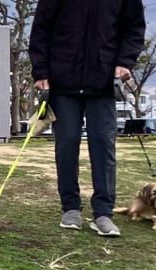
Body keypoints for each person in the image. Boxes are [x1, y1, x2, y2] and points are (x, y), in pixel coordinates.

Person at [28, 0, 146, 237]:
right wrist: (41, 72)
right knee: (67, 144)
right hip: (62, 84)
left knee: (103, 144)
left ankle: (103, 213)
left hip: (103, 84)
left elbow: (133, 28)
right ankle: (70, 208)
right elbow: (41, 30)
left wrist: (125, 62)